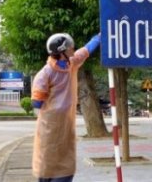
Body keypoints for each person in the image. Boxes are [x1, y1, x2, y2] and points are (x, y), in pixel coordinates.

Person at [31, 33, 100, 182]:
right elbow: (36, 101)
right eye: (69, 47)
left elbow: (86, 50)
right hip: (49, 127)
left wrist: (99, 37)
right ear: (61, 51)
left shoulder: (71, 63)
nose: (72, 48)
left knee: (63, 168)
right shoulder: (46, 73)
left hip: (64, 126)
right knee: (48, 169)